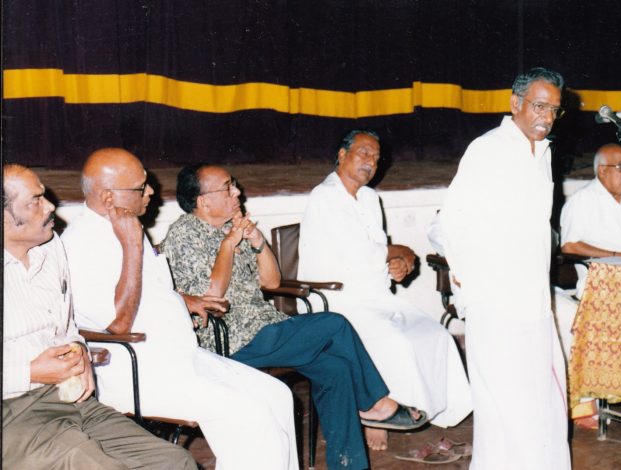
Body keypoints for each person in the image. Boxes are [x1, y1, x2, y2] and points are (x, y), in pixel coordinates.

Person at [160, 163, 426, 468]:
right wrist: (229, 244)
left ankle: (349, 465)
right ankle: (374, 404)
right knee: (334, 324)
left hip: (264, 328)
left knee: (337, 369)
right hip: (227, 340)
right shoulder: (184, 233)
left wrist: (258, 242)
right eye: (227, 188)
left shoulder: (230, 227)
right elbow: (212, 297)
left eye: (233, 184)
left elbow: (272, 282)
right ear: (204, 201)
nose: (237, 192)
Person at [61, 148, 298, 470]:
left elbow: (149, 287)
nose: (151, 191)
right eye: (140, 188)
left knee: (277, 394)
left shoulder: (124, 224)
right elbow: (118, 325)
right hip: (138, 369)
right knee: (250, 414)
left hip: (179, 356)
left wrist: (185, 300)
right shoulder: (82, 244)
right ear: (107, 197)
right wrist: (132, 246)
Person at [3, 163, 196, 469]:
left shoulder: (50, 246)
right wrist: (29, 371)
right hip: (12, 413)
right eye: (35, 201)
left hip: (67, 397)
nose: (50, 206)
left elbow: (67, 325)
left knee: (174, 461)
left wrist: (78, 350)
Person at [298, 130, 472, 451]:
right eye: (364, 153)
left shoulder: (369, 198)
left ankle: (429, 410)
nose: (371, 162)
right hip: (335, 300)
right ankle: (376, 414)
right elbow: (357, 254)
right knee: (394, 342)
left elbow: (379, 251)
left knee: (435, 335)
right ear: (342, 155)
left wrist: (398, 264)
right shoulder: (325, 196)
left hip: (376, 296)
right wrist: (401, 251)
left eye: (376, 158)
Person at [438, 67, 570, 469]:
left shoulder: (543, 153)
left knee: (542, 403)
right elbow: (450, 222)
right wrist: (469, 282)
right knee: (502, 407)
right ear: (515, 103)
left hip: (534, 301)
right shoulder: (488, 149)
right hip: (495, 302)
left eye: (555, 110)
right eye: (539, 106)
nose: (547, 117)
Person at [558, 144, 621, 355]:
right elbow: (569, 246)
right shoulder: (582, 201)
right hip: (603, 286)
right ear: (602, 171)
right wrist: (618, 257)